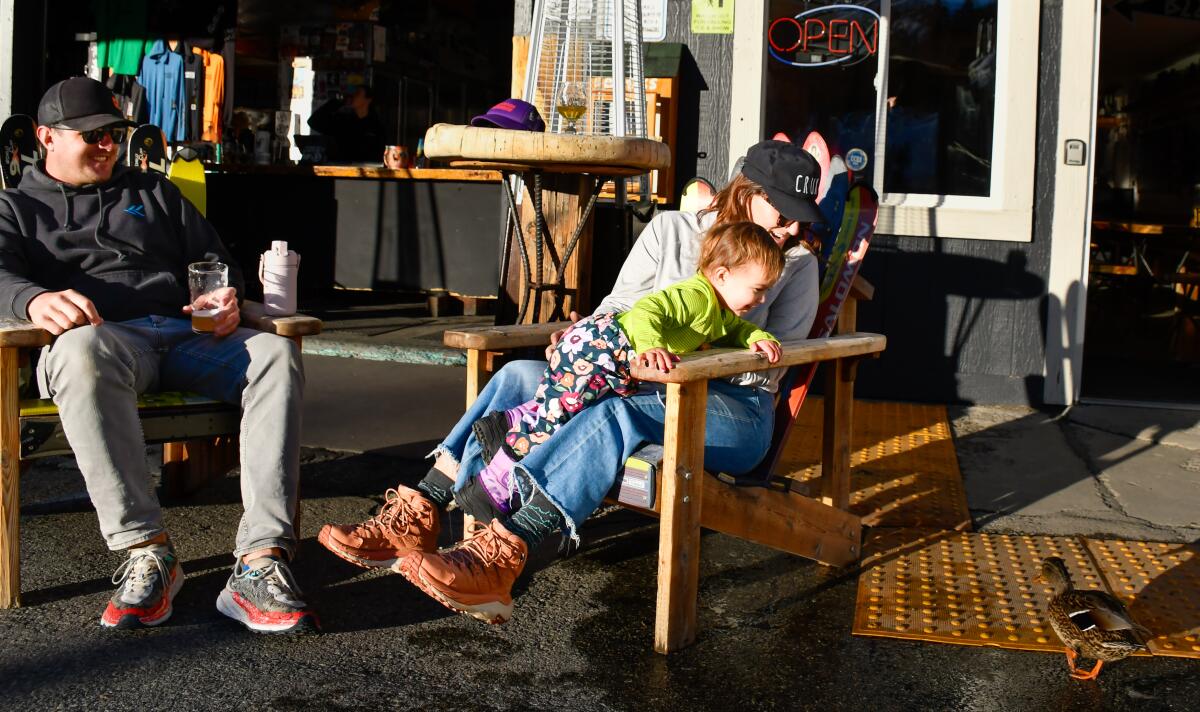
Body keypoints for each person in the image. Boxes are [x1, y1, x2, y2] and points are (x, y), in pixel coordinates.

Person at [319, 140, 824, 625]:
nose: (793, 226)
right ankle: (422, 511)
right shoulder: (671, 231)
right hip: (636, 379)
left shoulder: (796, 264)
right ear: (746, 192)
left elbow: (767, 366)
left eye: (802, 215)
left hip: (732, 409)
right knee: (519, 375)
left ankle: (507, 554)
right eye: (782, 212)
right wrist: (584, 339)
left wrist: (663, 363)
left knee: (612, 413)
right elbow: (618, 308)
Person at [0, 76, 317, 633]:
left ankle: (262, 557)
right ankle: (146, 548)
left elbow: (217, 261)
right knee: (79, 351)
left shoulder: (154, 192)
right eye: (91, 136)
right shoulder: (16, 207)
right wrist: (33, 298)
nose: (107, 146)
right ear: (46, 137)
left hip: (187, 334)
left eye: (114, 135)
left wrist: (223, 295)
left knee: (273, 353)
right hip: (105, 343)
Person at [472, 221, 786, 516]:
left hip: (605, 352)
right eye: (757, 289)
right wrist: (651, 345)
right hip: (600, 348)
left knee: (564, 408)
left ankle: (514, 419)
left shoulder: (718, 310)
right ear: (722, 275)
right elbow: (648, 309)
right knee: (556, 419)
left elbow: (738, 332)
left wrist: (759, 337)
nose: (762, 300)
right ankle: (493, 487)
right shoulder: (695, 297)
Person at [306, 85, 385, 164]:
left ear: (368, 100)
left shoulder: (375, 126)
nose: (353, 96)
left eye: (357, 94)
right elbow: (314, 121)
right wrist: (338, 101)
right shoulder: (343, 121)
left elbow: (380, 153)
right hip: (340, 169)